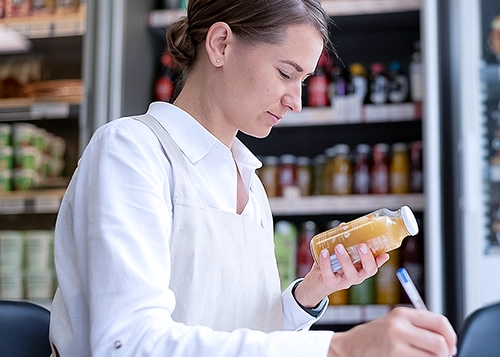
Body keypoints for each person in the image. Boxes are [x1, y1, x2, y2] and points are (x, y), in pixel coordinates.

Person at [49, 0, 458, 356]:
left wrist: (308, 294)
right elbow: (128, 343)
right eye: (285, 73)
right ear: (221, 44)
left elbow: (242, 335)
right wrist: (340, 347)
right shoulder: (131, 151)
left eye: (304, 82)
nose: (296, 102)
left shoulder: (250, 182)